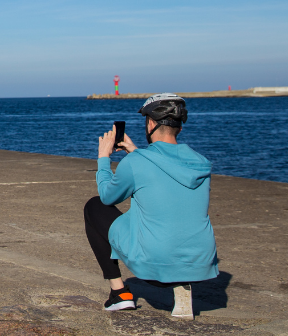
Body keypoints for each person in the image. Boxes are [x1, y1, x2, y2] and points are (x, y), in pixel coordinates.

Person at [83, 93, 218, 311]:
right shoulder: (200, 163)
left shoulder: (137, 163)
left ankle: (120, 294)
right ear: (180, 128)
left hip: (156, 266)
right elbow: (165, 177)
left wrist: (103, 158)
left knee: (95, 206)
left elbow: (108, 196)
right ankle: (182, 285)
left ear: (151, 123)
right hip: (199, 264)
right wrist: (135, 152)